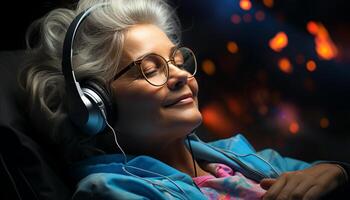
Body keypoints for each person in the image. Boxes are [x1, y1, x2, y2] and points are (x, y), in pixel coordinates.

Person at [21, 0, 349, 199]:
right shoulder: (110, 190)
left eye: (177, 61)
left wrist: (335, 172)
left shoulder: (239, 155)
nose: (180, 75)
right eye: (150, 69)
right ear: (94, 105)